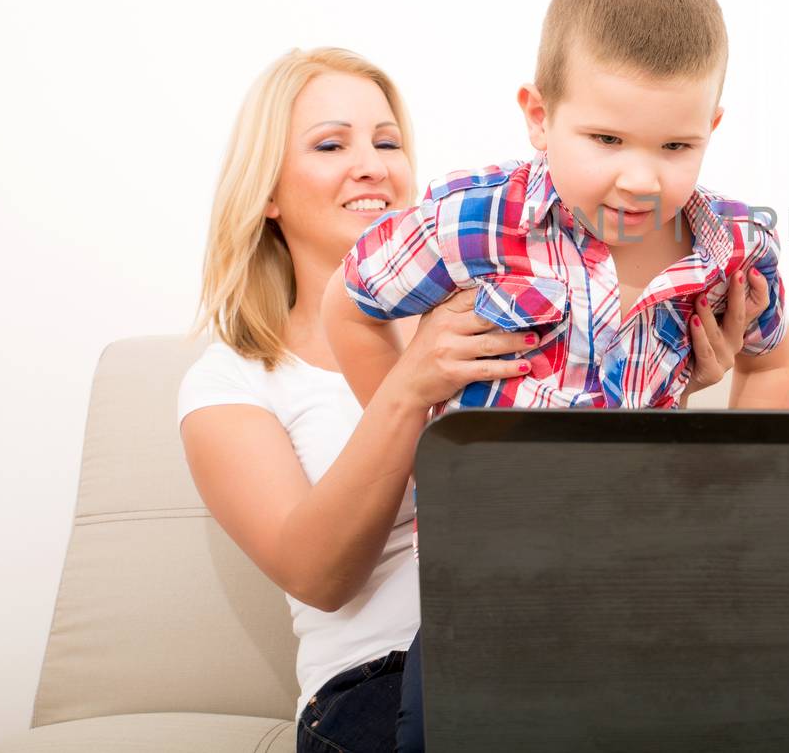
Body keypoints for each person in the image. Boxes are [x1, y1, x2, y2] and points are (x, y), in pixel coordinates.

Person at [322, 0, 789, 749]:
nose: (640, 178)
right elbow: (350, 304)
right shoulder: (481, 219)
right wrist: (420, 439)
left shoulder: (731, 245)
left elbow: (773, 361)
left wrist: (732, 481)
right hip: (486, 592)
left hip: (649, 586)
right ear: (539, 116)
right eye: (606, 138)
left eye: (675, 147)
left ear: (711, 128)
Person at [178, 48, 533, 752]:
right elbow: (321, 574)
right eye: (331, 143)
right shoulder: (232, 380)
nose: (372, 163)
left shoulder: (478, 313)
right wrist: (408, 385)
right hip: (373, 681)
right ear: (269, 191)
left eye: (387, 141)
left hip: (527, 640)